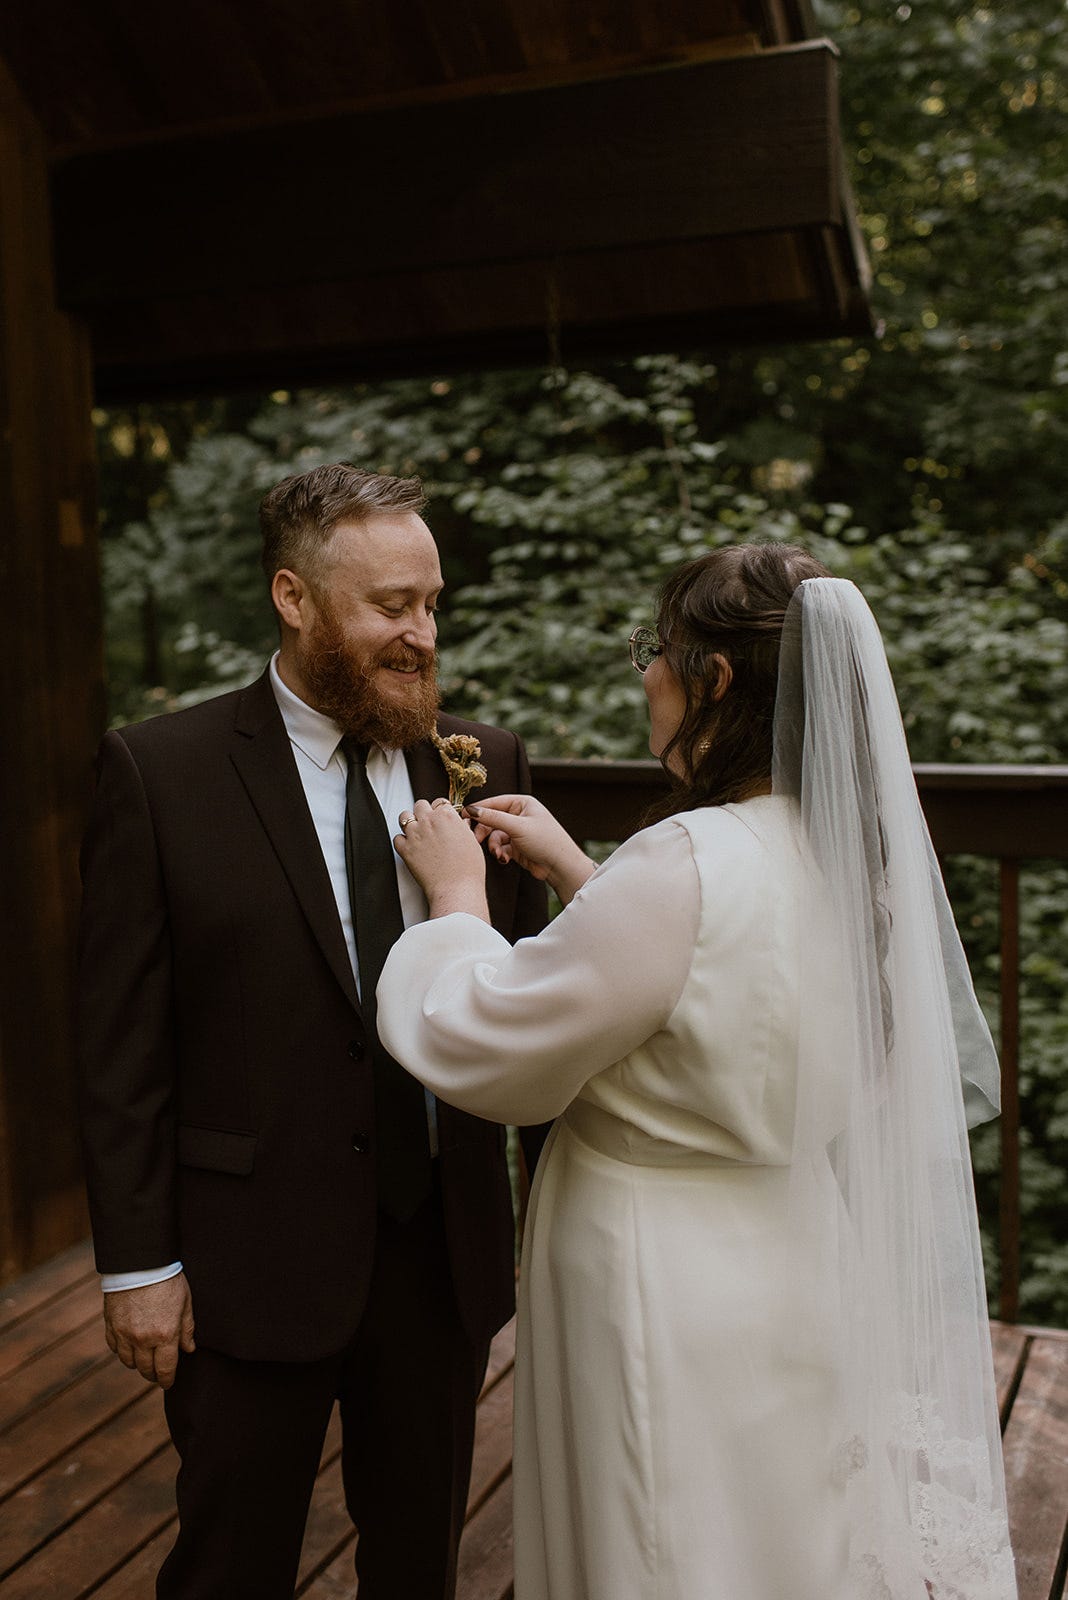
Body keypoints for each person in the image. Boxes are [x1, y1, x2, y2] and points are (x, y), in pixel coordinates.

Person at [376, 543, 1017, 1600]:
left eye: (657, 650)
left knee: (663, 1537)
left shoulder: (683, 862)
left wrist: (456, 899)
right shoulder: (845, 852)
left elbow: (492, 1044)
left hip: (656, 1275)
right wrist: (587, 876)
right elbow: (723, 993)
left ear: (715, 680)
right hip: (794, 1252)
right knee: (773, 1539)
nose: (646, 674)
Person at [77, 463, 547, 1600]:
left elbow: (524, 1012)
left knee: (415, 1568)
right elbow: (121, 1044)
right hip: (245, 1259)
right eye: (391, 605)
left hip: (440, 1253)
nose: (422, 634)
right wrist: (140, 1263)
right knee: (228, 1565)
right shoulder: (161, 770)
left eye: (432, 603)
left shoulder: (487, 766)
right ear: (294, 597)